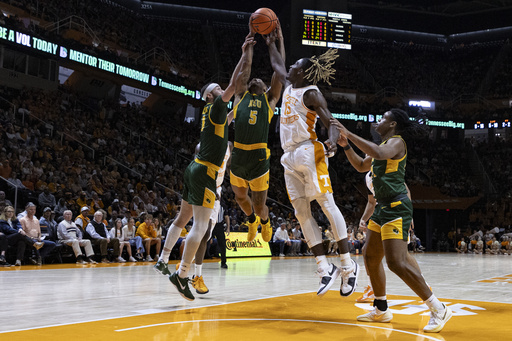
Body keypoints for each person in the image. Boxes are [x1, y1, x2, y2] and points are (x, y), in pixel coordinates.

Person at [332, 108, 452, 333]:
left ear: (393, 124)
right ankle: (381, 308)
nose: (378, 121)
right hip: (382, 207)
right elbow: (360, 165)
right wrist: (345, 146)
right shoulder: (383, 148)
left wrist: (348, 132)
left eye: (383, 118)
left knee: (396, 262)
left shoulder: (397, 143)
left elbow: (377, 151)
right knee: (370, 255)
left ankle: (439, 308)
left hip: (397, 207)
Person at [163, 34, 247, 301]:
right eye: (219, 89)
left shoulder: (213, 114)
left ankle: (169, 261)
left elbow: (232, 110)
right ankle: (183, 274)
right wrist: (245, 53)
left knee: (189, 221)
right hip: (206, 172)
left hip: (195, 168)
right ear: (211, 95)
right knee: (200, 228)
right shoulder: (214, 107)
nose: (224, 90)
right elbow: (234, 84)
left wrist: (240, 105)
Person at [279, 49, 359, 297]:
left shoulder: (311, 93)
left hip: (308, 150)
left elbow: (331, 122)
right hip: (288, 155)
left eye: (293, 65)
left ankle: (348, 264)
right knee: (301, 212)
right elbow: (275, 61)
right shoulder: (287, 86)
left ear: (302, 72)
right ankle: (325, 267)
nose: (289, 67)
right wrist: (273, 38)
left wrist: (333, 140)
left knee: (326, 204)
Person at [230, 24, 286, 244]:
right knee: (240, 197)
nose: (255, 79)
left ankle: (264, 221)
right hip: (240, 155)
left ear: (264, 88)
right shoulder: (240, 96)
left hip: (259, 157)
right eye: (253, 79)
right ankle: (252, 219)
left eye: (259, 80)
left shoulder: (270, 100)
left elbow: (279, 71)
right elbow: (246, 68)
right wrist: (249, 45)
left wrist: (278, 42)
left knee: (260, 204)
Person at [155, 141, 232, 297]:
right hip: (206, 185)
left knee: (192, 224)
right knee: (203, 231)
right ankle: (194, 275)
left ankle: (165, 260)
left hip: (210, 184)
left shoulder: (228, 145)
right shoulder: (207, 142)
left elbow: (226, 167)